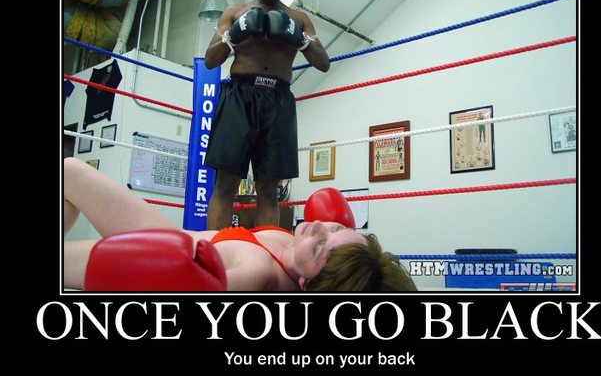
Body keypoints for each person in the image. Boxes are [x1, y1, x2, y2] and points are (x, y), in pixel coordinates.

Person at [64, 158, 416, 292]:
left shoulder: (259, 273)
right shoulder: (295, 246)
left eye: (320, 246)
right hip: (165, 234)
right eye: (336, 229)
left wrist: (148, 273)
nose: (318, 227)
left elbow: (202, 291)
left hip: (156, 255)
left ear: (307, 285)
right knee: (70, 173)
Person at [203, 0, 331, 230]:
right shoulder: (235, 12)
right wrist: (233, 34)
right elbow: (210, 60)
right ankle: (215, 249)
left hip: (278, 100)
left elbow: (323, 63)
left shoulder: (299, 19)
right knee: (225, 183)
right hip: (239, 96)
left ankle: (266, 250)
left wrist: (300, 40)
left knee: (269, 189)